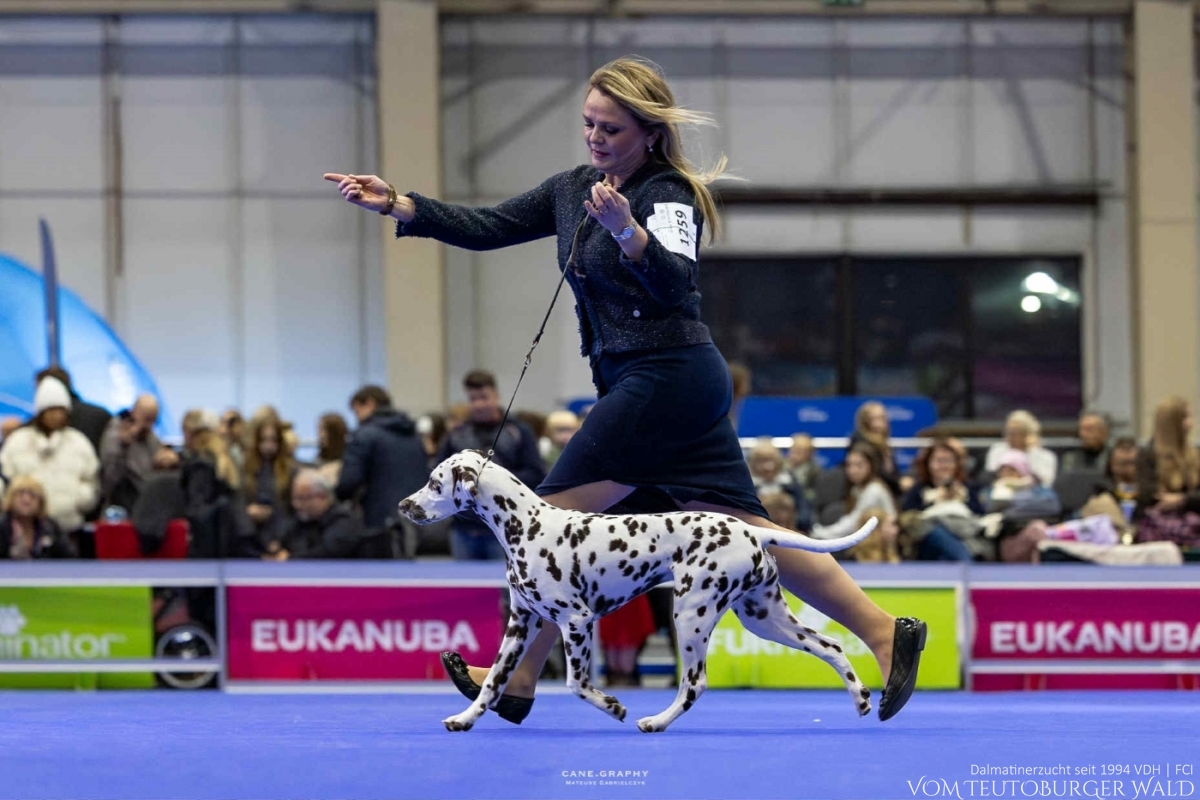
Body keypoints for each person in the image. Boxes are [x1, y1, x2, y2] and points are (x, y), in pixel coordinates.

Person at [324, 55, 924, 725]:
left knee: (544, 518)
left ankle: (517, 676)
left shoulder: (666, 196)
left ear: (648, 131)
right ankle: (884, 632)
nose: (595, 137)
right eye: (587, 124)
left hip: (666, 379)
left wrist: (627, 233)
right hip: (663, 387)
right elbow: (490, 227)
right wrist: (400, 203)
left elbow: (676, 285)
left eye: (610, 128)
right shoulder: (573, 186)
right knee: (748, 532)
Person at [435, 370, 546, 561]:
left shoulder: (519, 431)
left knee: (508, 588)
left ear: (496, 396)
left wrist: (491, 481)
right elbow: (439, 477)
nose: (479, 404)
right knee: (466, 589)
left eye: (484, 397)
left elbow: (536, 474)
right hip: (464, 530)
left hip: (506, 528)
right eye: (473, 398)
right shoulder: (455, 435)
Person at [0, 377, 99, 535]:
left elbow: (91, 480)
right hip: (25, 528)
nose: (55, 416)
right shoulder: (18, 441)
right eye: (50, 410)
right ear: (40, 412)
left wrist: (79, 500)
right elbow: (5, 477)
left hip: (69, 525)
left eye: (60, 410)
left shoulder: (79, 442)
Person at [335, 385, 429, 531]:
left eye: (356, 410)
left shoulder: (364, 435)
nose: (356, 417)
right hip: (418, 516)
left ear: (370, 403)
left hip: (380, 519)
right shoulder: (414, 436)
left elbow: (349, 482)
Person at [98, 394, 180, 513]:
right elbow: (108, 479)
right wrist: (123, 447)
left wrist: (166, 463)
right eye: (147, 419)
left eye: (154, 420)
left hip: (147, 503)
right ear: (134, 412)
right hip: (123, 506)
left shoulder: (150, 436)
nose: (150, 425)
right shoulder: (116, 434)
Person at [265, 469, 364, 560]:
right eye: (294, 499)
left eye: (302, 498)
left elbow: (327, 553)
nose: (297, 505)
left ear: (321, 497)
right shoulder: (302, 520)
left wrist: (291, 558)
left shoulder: (345, 522)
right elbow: (283, 538)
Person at [0, 475, 77, 560]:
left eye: (32, 496)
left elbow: (70, 557)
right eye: (20, 495)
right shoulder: (2, 526)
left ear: (41, 502)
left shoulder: (50, 527)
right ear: (11, 499)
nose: (26, 500)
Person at [984, 409, 1058, 487]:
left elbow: (1046, 482)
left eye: (1015, 433)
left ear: (1027, 434)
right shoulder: (997, 450)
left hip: (1034, 496)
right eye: (1008, 432)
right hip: (1001, 494)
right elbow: (990, 477)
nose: (1010, 437)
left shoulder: (1045, 456)